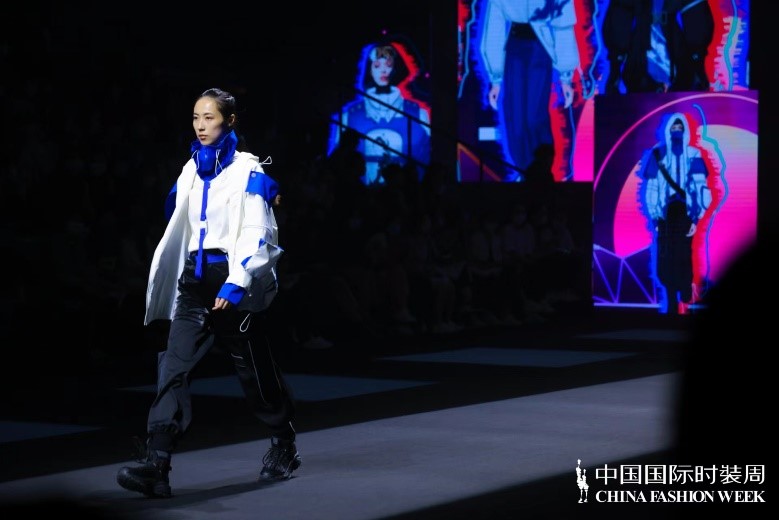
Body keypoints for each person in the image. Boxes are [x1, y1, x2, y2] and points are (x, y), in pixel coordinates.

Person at [116, 88, 300, 498]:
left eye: (209, 117)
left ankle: (283, 442)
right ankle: (157, 463)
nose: (201, 125)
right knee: (173, 367)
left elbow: (257, 231)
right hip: (194, 283)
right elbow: (176, 219)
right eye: (196, 117)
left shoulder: (247, 171)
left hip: (232, 281)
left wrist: (238, 281)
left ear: (229, 121)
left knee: (253, 370)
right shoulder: (191, 168)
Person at [478, 0, 579, 181]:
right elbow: (494, 23)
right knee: (515, 117)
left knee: (535, 115)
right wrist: (496, 78)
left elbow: (563, 21)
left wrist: (566, 75)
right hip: (515, 48)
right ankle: (526, 172)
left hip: (540, 49)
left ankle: (540, 171)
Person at [328, 40, 432, 186]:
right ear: (370, 69)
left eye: (388, 65)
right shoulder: (349, 116)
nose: (383, 70)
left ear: (395, 68)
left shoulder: (418, 114)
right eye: (377, 65)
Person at [637, 112, 711, 314]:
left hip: (686, 214)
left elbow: (700, 186)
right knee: (665, 254)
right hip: (665, 215)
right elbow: (652, 188)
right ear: (668, 131)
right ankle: (670, 297)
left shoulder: (694, 155)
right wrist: (655, 217)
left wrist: (696, 217)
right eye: (673, 128)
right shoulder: (658, 154)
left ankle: (684, 291)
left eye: (680, 128)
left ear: (684, 131)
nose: (676, 132)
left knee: (684, 253)